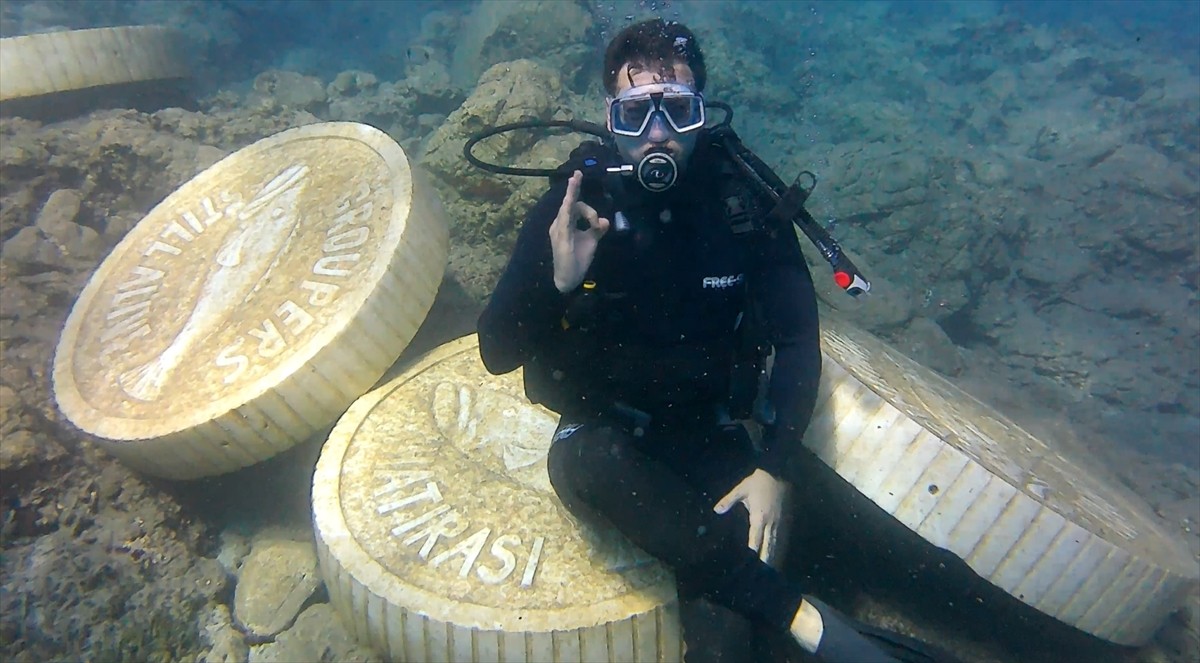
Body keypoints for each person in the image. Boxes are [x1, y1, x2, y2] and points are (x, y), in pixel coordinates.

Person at [477, 18, 941, 663]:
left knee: (726, 642)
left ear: (703, 113)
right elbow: (496, 354)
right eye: (638, 114)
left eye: (679, 111)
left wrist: (771, 468)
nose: (660, 134)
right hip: (599, 434)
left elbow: (797, 341)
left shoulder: (743, 203)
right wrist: (556, 282)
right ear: (610, 116)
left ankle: (787, 620)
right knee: (605, 462)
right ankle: (801, 617)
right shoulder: (576, 204)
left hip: (709, 436)